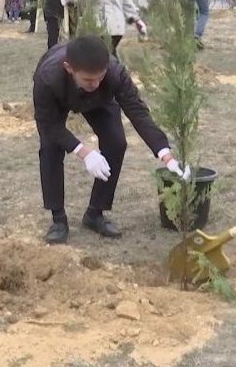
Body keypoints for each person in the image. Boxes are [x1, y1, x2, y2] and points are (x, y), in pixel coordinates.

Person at [33, 35, 190, 244]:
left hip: (100, 102)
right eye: (89, 79)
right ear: (69, 68)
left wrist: (166, 155)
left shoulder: (113, 73)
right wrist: (83, 151)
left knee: (116, 142)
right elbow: (48, 124)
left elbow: (137, 112)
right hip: (58, 99)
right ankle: (58, 219)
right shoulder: (47, 78)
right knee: (51, 147)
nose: (95, 83)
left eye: (100, 76)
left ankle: (95, 213)